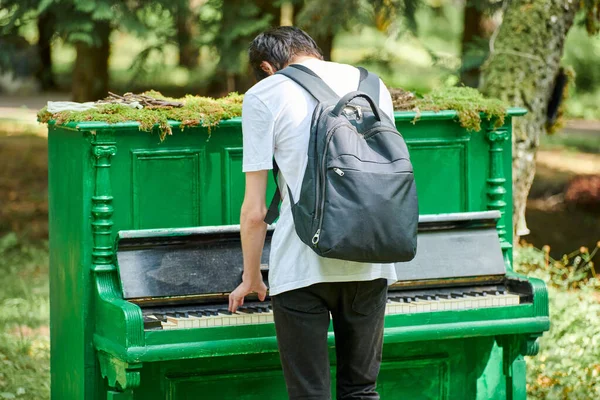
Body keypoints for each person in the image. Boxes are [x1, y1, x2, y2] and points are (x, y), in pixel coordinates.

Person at [228, 26, 398, 400]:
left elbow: (255, 211)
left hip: (303, 263)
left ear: (267, 67)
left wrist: (252, 276)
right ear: (313, 52)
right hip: (373, 259)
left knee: (310, 394)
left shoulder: (265, 93)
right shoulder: (374, 85)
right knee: (362, 390)